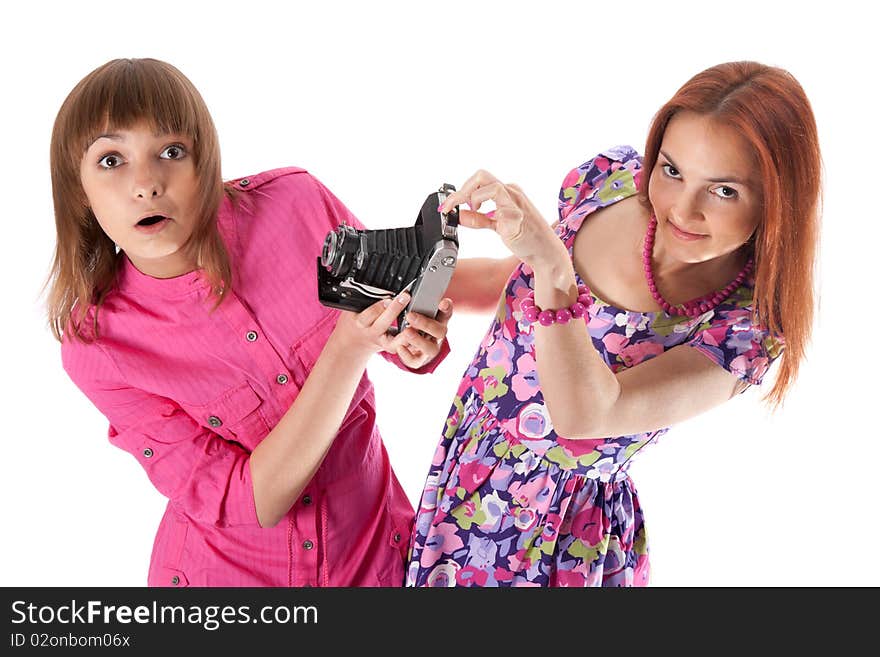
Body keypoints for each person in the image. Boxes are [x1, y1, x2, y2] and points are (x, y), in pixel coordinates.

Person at [405, 61, 821, 587]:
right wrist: (397, 293)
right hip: (464, 469)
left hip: (553, 538)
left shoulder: (745, 330)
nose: (682, 209)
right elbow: (504, 282)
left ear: (779, 202)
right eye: (671, 170)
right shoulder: (611, 183)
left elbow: (588, 413)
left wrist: (555, 268)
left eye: (724, 191)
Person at [46, 58, 453, 587]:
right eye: (111, 160)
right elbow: (254, 500)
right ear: (79, 191)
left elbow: (391, 320)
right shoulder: (99, 346)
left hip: (375, 561)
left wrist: (411, 338)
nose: (145, 184)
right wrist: (349, 349)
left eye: (172, 152)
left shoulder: (296, 204)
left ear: (206, 161)